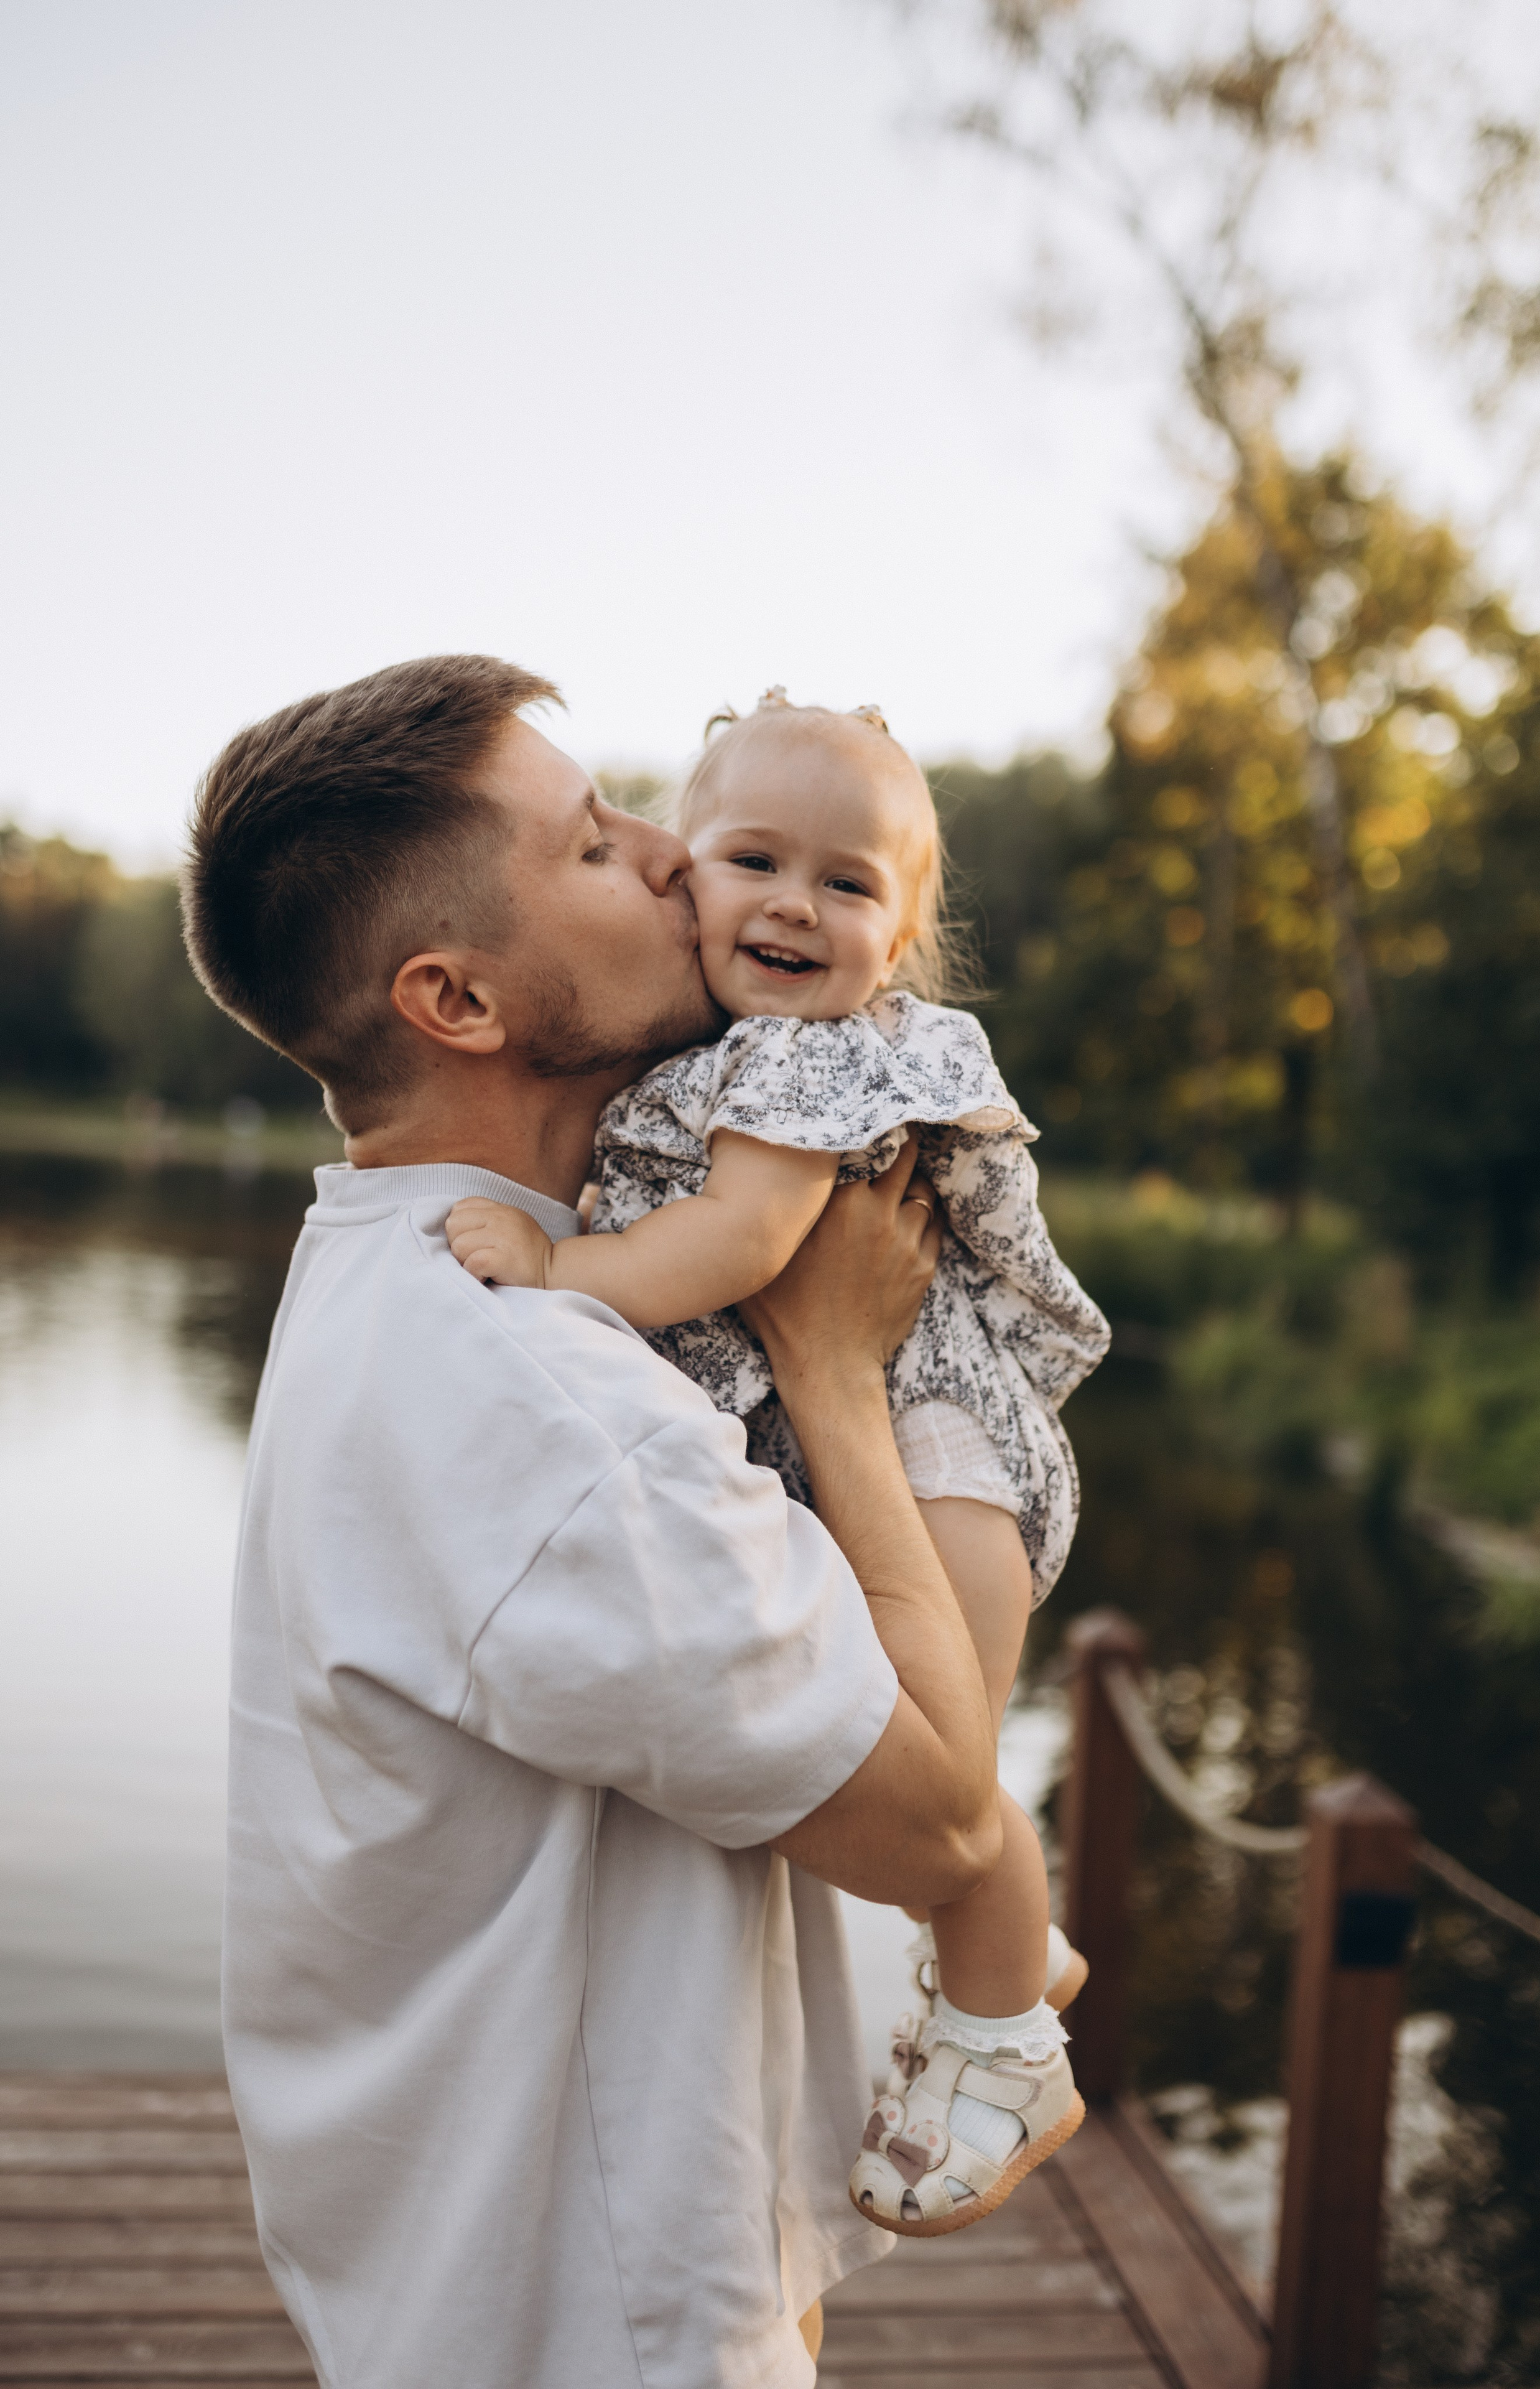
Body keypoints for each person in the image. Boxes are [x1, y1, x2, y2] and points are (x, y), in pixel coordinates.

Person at [182, 654, 1007, 2389]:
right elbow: (941, 1825)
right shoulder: (548, 1407)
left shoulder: (389, 1282)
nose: (666, 856)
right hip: (603, 2329)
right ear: (459, 1002)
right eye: (588, 845)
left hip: (478, 2299)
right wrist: (843, 1379)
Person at [445, 687, 1109, 2236]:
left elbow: (736, 1245)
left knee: (938, 1763)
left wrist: (550, 1281)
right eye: (753, 860)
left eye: (849, 882)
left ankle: (1006, 2042)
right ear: (683, 871)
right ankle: (1013, 1951)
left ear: (903, 930)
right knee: (926, 1755)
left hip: (946, 1451)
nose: (795, 906)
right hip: (881, 1429)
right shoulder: (718, 1056)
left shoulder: (816, 1063)